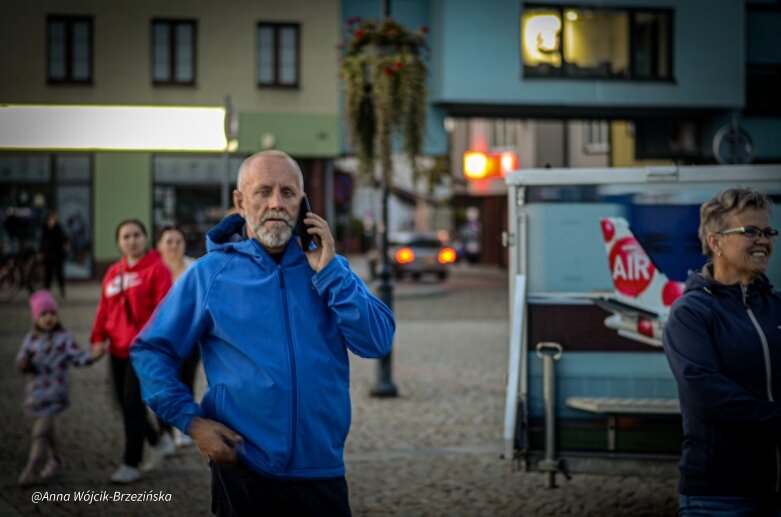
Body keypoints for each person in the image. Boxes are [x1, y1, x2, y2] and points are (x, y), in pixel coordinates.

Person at [131, 150, 395, 516]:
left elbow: (378, 341)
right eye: (264, 191)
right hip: (244, 472)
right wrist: (191, 423)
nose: (276, 203)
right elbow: (150, 350)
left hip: (322, 472)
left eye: (288, 193)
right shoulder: (211, 274)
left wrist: (331, 273)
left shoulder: (330, 269)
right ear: (240, 202)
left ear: (303, 204)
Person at [663, 187, 781, 516]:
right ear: (715, 242)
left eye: (768, 231)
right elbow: (709, 395)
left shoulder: (776, 307)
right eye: (750, 231)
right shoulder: (691, 313)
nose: (764, 240)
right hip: (719, 498)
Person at [90, 219, 172, 484]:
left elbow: (164, 310)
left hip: (143, 350)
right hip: (116, 350)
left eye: (137, 235)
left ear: (145, 238)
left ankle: (131, 462)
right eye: (126, 236)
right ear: (118, 242)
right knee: (122, 404)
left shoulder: (157, 269)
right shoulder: (113, 272)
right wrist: (97, 338)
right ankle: (156, 439)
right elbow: (105, 310)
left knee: (132, 404)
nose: (132, 240)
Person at [16, 289, 105, 486]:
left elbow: (79, 357)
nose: (48, 318)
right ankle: (56, 459)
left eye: (52, 313)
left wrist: (96, 355)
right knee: (47, 430)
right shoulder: (31, 339)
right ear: (36, 318)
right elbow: (22, 359)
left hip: (55, 392)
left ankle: (31, 469)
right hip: (36, 392)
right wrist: (23, 362)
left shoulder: (64, 338)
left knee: (39, 431)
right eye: (43, 314)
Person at [155, 225, 198, 448]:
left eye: (178, 241)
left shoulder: (195, 267)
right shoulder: (153, 270)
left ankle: (183, 428)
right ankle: (165, 434)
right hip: (161, 340)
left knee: (185, 384)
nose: (174, 246)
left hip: (189, 338)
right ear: (159, 246)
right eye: (169, 241)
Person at [40, 210, 69, 298]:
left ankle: (62, 290)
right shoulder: (45, 228)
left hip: (58, 254)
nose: (54, 219)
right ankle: (46, 291)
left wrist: (66, 245)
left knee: (59, 273)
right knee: (48, 274)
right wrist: (41, 250)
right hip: (48, 254)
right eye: (52, 217)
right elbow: (42, 241)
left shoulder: (58, 228)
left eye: (55, 217)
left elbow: (64, 238)